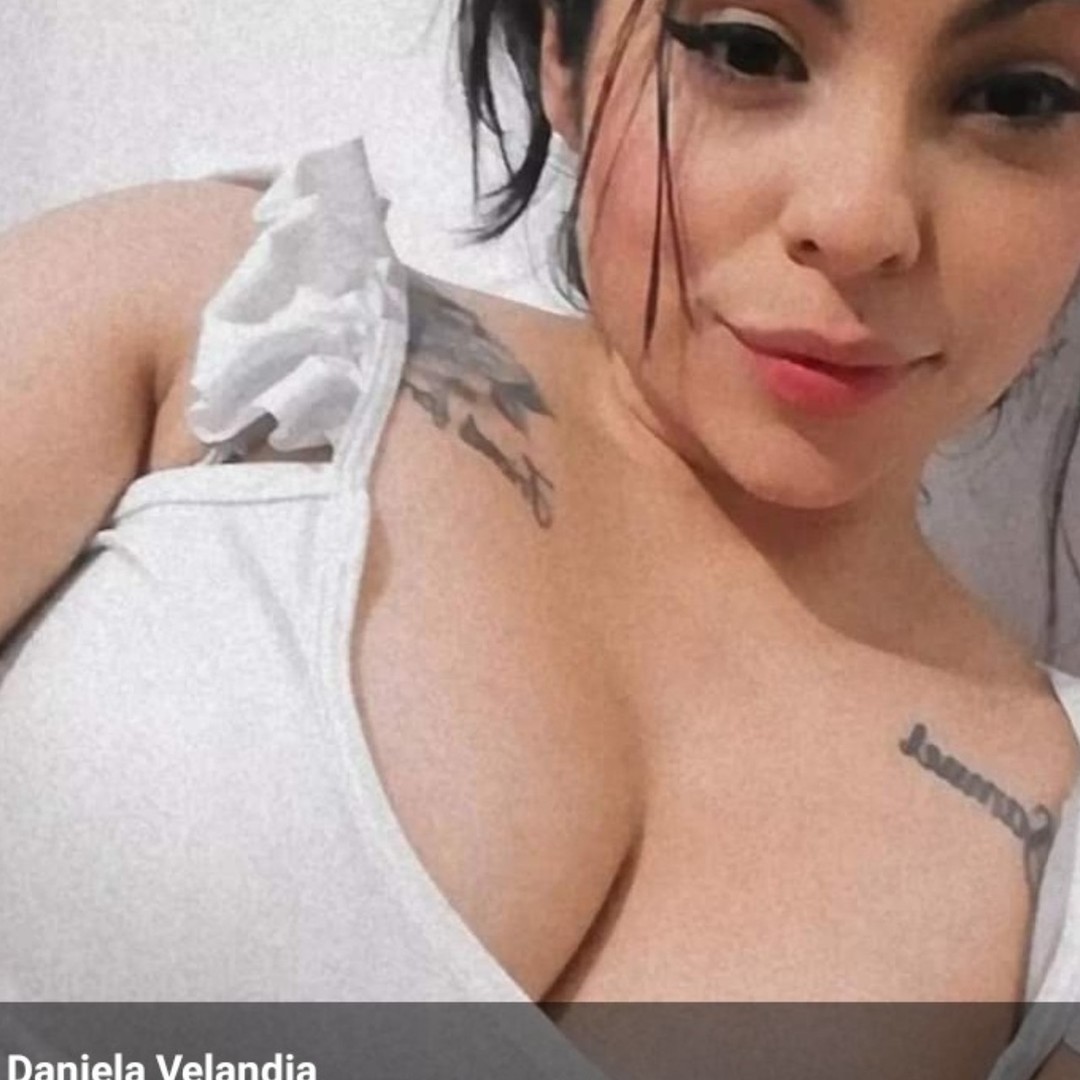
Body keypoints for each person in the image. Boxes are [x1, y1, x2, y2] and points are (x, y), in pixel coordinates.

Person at [0, 0, 1078, 1075]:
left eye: (1019, 98)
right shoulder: (223, 320)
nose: (860, 220)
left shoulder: (1055, 858)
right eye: (748, 50)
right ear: (563, 49)